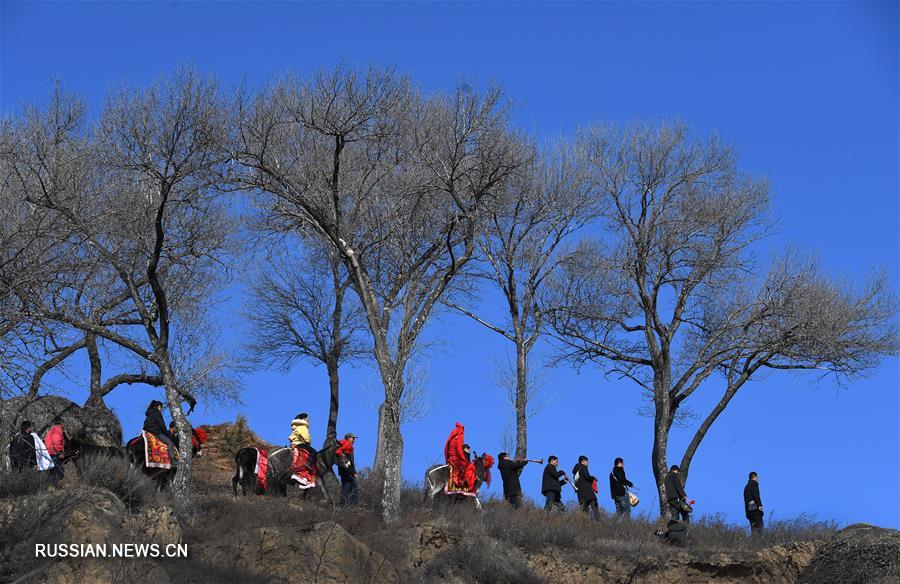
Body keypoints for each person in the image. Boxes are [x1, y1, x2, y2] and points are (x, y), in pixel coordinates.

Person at [444, 422, 476, 492]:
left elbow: (445, 449)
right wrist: (463, 458)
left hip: (450, 459)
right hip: (456, 460)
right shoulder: (460, 436)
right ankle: (466, 486)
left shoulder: (451, 437)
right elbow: (459, 449)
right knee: (471, 467)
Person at [335, 432, 358, 506]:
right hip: (346, 469)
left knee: (350, 485)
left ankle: (348, 503)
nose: (354, 440)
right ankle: (346, 504)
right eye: (353, 438)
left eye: (354, 438)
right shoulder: (348, 446)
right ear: (348, 438)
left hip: (343, 468)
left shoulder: (344, 445)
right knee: (347, 485)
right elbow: (349, 461)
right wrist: (353, 472)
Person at [573, 455, 600, 519]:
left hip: (580, 494)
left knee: (585, 511)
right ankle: (598, 522)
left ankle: (585, 525)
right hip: (588, 492)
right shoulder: (583, 467)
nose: (587, 463)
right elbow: (587, 477)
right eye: (586, 462)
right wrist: (593, 478)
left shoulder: (575, 473)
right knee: (594, 506)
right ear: (583, 462)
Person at [44, 418, 66, 484]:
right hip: (54, 454)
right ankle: (51, 486)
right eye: (63, 423)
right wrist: (60, 452)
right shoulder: (57, 430)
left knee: (53, 471)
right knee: (59, 472)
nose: (64, 425)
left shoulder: (51, 430)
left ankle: (49, 486)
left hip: (49, 453)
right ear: (61, 424)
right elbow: (57, 443)